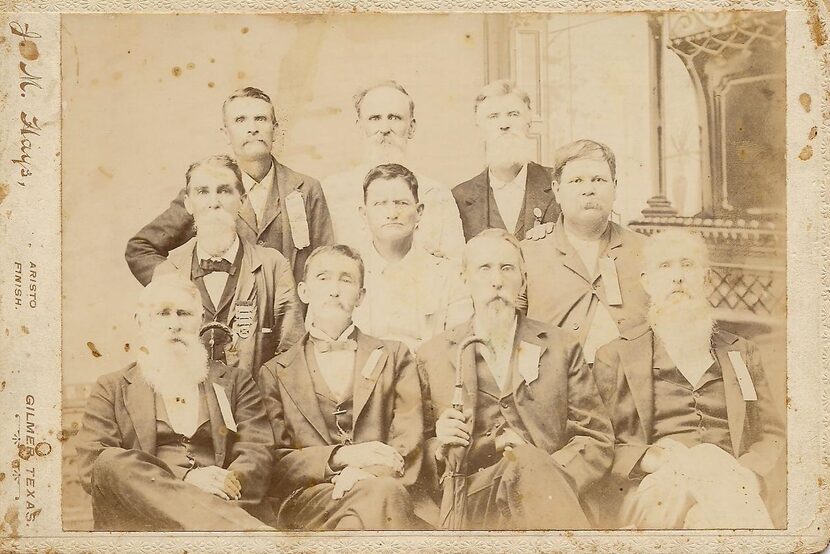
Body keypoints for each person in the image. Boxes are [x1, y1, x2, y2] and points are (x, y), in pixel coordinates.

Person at [417, 229, 614, 530]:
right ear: (465, 278)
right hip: (473, 501)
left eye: (507, 269)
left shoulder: (561, 346)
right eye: (484, 269)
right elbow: (415, 450)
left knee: (529, 464)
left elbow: (595, 438)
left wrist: (542, 471)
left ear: (522, 280)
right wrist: (440, 444)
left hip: (549, 495)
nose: (497, 280)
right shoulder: (432, 354)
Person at [592, 229, 785, 529]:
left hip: (732, 481)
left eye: (687, 265)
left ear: (706, 280)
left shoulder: (742, 353)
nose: (677, 277)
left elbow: (772, 434)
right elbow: (598, 443)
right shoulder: (615, 356)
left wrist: (750, 471)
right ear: (647, 282)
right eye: (665, 266)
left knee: (705, 512)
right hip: (655, 485)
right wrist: (648, 458)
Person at [75, 274, 275, 531]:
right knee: (109, 461)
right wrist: (186, 478)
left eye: (184, 313)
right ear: (141, 321)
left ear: (201, 320)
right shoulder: (111, 387)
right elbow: (93, 469)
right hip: (145, 517)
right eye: (163, 314)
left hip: (226, 505)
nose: (175, 325)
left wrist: (222, 489)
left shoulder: (235, 382)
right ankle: (252, 536)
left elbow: (256, 451)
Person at [257, 245, 424, 530]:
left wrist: (364, 473)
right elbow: (275, 462)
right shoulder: (274, 372)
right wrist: (340, 458)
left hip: (382, 485)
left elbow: (407, 441)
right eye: (323, 278)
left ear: (361, 296)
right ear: (303, 292)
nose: (334, 290)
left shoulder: (395, 356)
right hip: (310, 501)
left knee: (366, 513)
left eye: (345, 280)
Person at [126, 87, 334, 286]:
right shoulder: (205, 190)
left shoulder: (305, 189)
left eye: (260, 119)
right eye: (240, 120)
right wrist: (179, 287)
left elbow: (325, 264)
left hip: (289, 317)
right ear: (226, 133)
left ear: (275, 129)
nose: (252, 128)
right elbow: (140, 248)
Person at [153, 155, 303, 375]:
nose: (214, 203)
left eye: (224, 191)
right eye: (203, 192)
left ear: (242, 200)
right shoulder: (169, 271)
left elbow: (290, 354)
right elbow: (158, 351)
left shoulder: (274, 266)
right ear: (188, 203)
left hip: (256, 405)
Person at [521, 139, 650, 364]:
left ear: (615, 187)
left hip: (630, 390)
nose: (588, 190)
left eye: (598, 180)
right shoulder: (527, 253)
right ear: (557, 190)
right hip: (554, 389)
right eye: (576, 181)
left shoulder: (647, 252)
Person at [321, 81, 465, 260]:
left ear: (411, 127)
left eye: (394, 118)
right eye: (375, 118)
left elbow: (458, 264)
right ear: (359, 127)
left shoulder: (437, 194)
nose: (384, 129)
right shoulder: (333, 191)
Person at [352, 163, 473, 352]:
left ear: (419, 212)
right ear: (364, 213)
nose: (392, 214)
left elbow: (459, 350)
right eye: (380, 204)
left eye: (401, 203)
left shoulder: (449, 277)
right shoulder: (345, 274)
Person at [452, 80, 560, 242]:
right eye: (493, 116)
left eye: (513, 114)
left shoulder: (559, 183)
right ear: (479, 127)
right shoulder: (460, 197)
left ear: (529, 122)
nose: (504, 125)